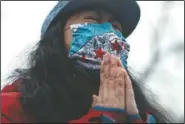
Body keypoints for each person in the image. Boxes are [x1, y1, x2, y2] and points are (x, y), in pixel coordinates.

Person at [1, 0, 169, 123]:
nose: (109, 34)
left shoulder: (143, 114)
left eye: (116, 27)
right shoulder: (14, 108)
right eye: (92, 20)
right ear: (57, 35)